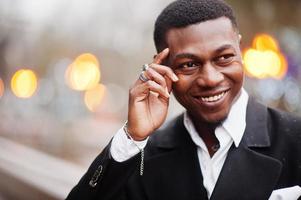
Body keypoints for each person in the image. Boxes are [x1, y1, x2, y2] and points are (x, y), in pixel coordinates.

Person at [66, 0, 301, 199]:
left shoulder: (295, 139)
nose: (210, 79)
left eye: (224, 57)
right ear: (162, 68)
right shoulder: (142, 158)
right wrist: (133, 136)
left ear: (240, 49)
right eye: (189, 64)